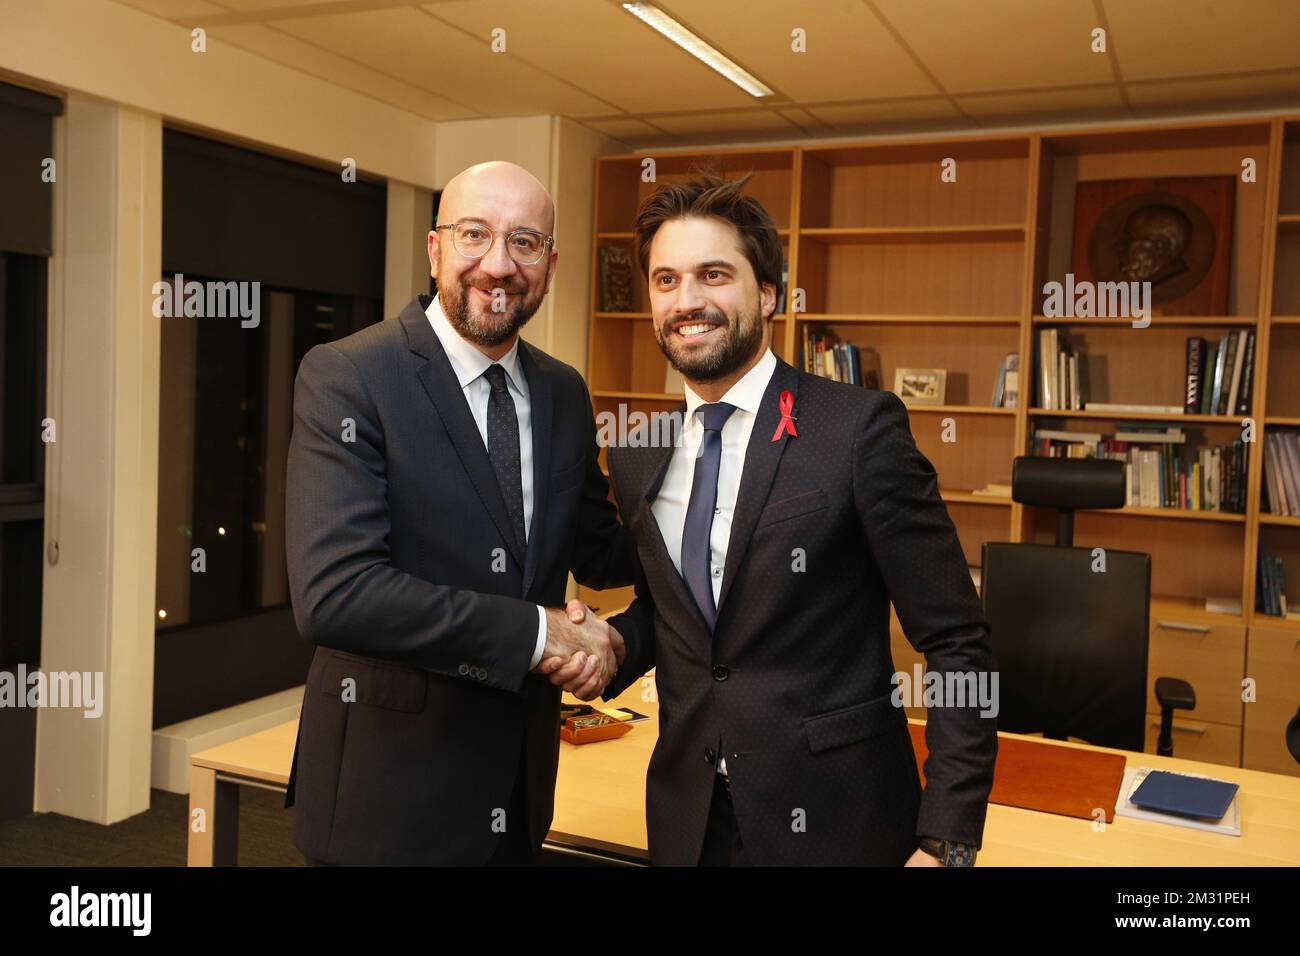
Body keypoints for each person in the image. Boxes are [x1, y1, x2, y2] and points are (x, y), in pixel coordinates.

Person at [542, 174, 997, 866]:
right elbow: (686, 622)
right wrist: (607, 647)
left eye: (714, 274)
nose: (687, 301)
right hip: (691, 823)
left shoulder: (855, 431)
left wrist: (947, 840)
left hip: (842, 825)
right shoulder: (639, 455)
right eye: (666, 281)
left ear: (770, 294)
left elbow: (960, 642)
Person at [284, 161, 630, 866]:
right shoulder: (350, 376)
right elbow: (336, 595)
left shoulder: (563, 393)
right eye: (475, 234)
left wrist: (725, 505)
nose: (498, 264)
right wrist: (542, 634)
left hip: (518, 787)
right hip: (385, 805)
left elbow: (599, 547)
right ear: (436, 248)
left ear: (551, 262)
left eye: (525, 242)